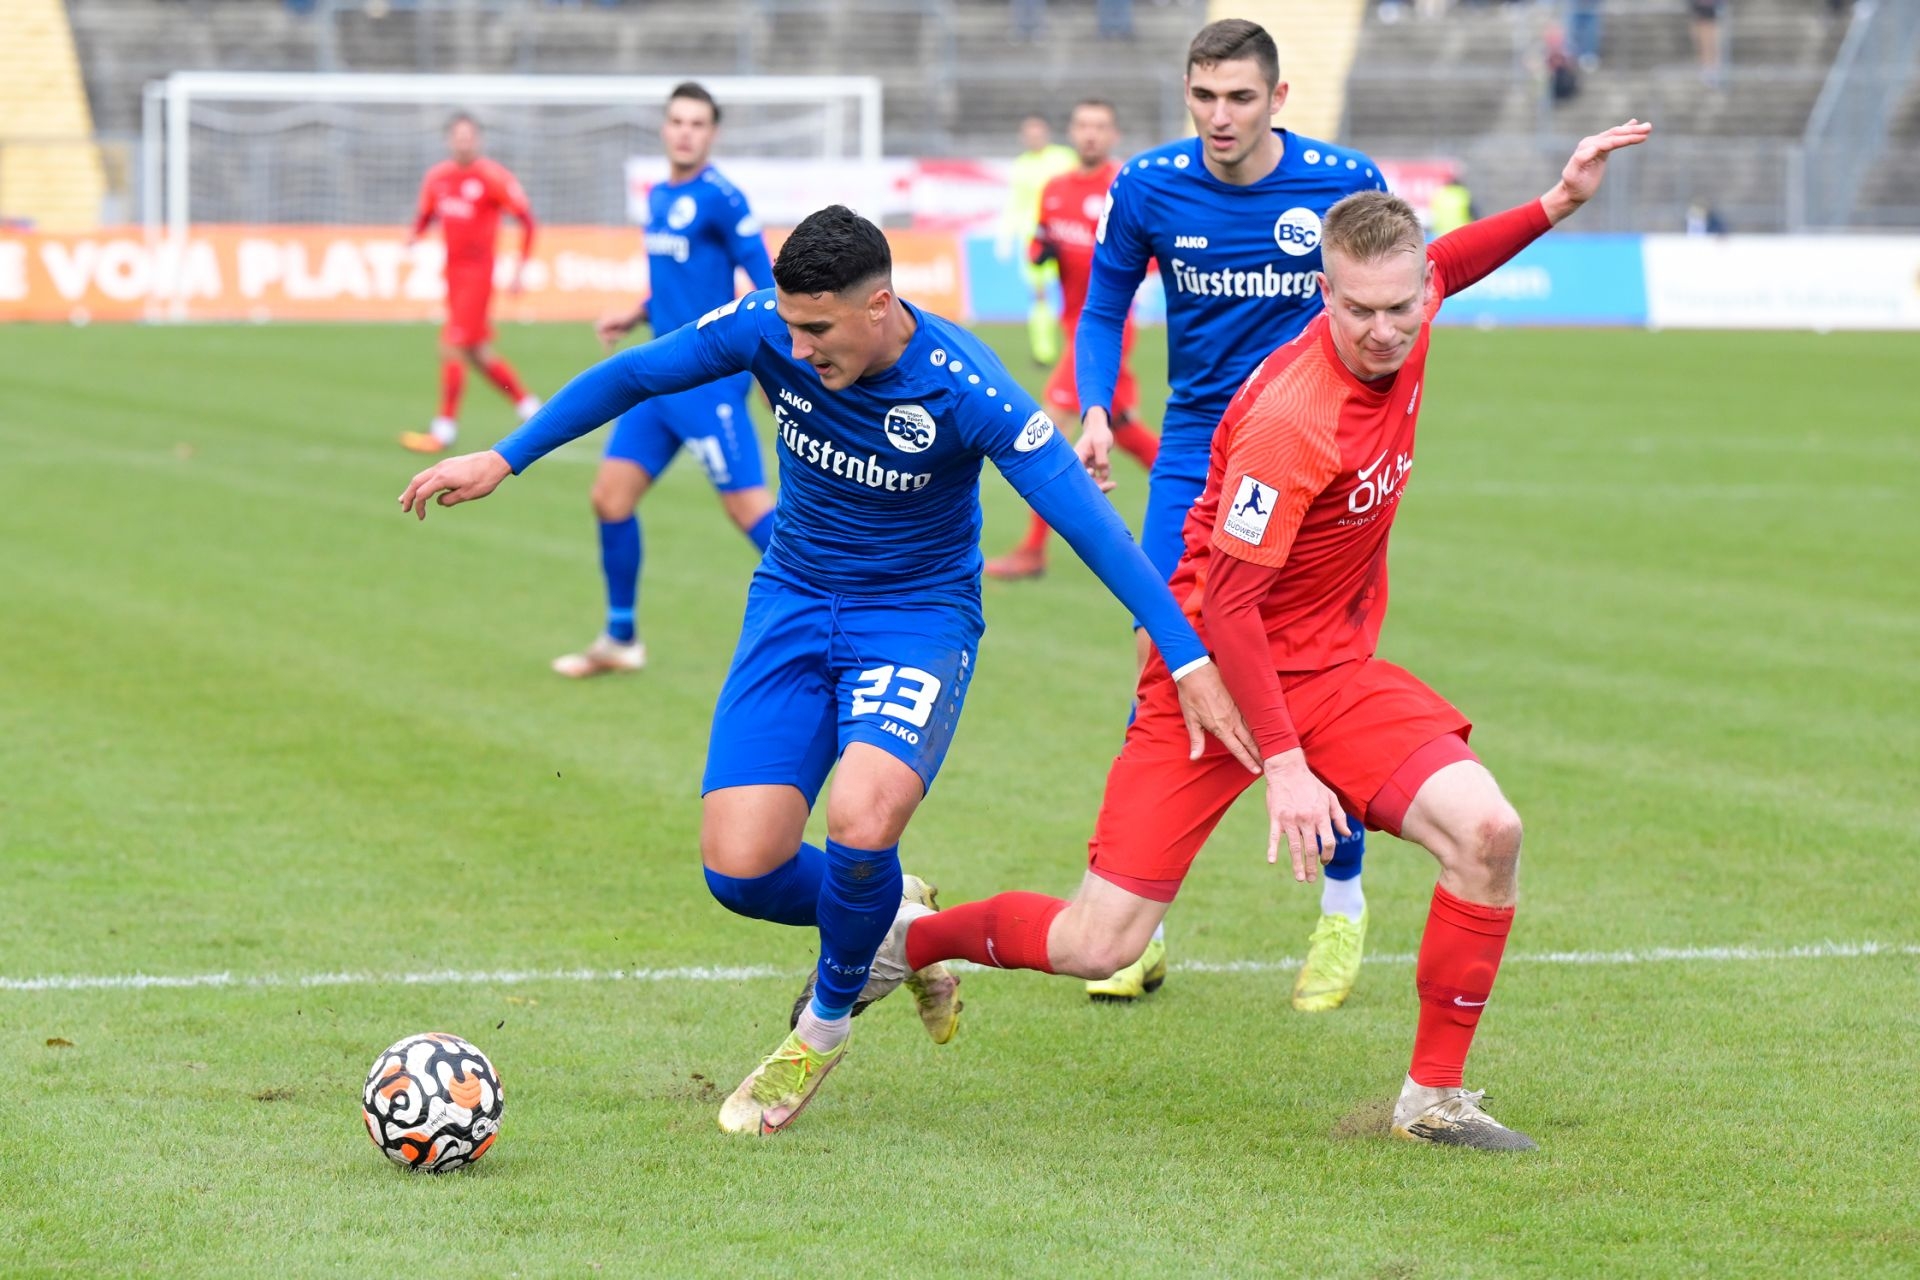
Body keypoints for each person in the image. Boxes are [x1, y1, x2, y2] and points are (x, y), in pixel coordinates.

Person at [846, 120, 1655, 1152]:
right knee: (1100, 941)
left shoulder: (1414, 302)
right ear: (1323, 294)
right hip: (1210, 680)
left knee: (1488, 833)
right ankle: (910, 938)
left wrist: (1558, 201)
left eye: (1401, 306)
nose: (1383, 331)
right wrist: (1284, 762)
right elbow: (1226, 610)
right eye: (1357, 310)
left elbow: (1456, 256)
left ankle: (1433, 1100)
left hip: (1334, 671)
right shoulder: (1292, 418)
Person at [398, 205, 1260, 1137]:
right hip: (794, 603)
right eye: (791, 325)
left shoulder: (966, 387)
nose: (799, 348)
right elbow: (637, 372)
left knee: (861, 818)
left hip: (915, 622)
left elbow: (1089, 525)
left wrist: (1186, 654)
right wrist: (506, 456)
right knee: (741, 869)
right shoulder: (768, 328)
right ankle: (897, 918)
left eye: (818, 329)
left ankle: (822, 1026)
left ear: (878, 305)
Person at [1072, 18, 1385, 1010]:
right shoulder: (1150, 186)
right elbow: (1103, 306)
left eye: (1240, 97)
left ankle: (1343, 906)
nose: (1220, 115)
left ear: (1277, 99)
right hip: (1194, 457)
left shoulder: (1342, 182)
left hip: (1313, 457)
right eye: (1204, 95)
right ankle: (1140, 926)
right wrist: (1094, 407)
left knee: (1312, 678)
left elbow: (1397, 298)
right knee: (1160, 666)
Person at [552, 82, 778, 679]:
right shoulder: (659, 194)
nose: (685, 132)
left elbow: (764, 282)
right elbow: (679, 283)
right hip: (659, 378)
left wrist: (774, 363)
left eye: (697, 123)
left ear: (712, 133)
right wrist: (636, 313)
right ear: (664, 127)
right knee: (609, 498)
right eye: (677, 121)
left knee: (749, 510)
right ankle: (620, 639)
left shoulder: (723, 198)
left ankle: (853, 596)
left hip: (708, 382)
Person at [985, 99, 1159, 582]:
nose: (1090, 134)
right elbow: (1042, 244)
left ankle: (1033, 550)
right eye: (1083, 125)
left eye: (1100, 126)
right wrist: (1041, 251)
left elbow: (1151, 258)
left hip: (1107, 331)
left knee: (1048, 428)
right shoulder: (1055, 188)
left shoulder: (1124, 187)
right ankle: (1209, 497)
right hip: (1071, 328)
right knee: (1123, 429)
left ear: (1113, 134)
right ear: (1072, 131)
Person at [400, 113, 541, 455]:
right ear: (450, 141)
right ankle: (530, 408)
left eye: (469, 136)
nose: (464, 142)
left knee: (451, 344)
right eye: (458, 137)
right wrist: (415, 235)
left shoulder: (492, 177)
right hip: (453, 273)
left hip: (478, 275)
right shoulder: (438, 178)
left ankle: (444, 429)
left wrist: (520, 268)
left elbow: (527, 220)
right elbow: (427, 214)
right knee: (476, 353)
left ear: (477, 140)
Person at [1001, 115, 1079, 366]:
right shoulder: (1020, 166)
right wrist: (1006, 236)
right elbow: (1015, 204)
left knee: (1075, 292)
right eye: (1029, 134)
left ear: (1047, 134)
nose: (1034, 138)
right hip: (1034, 239)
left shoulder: (1064, 158)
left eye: (1038, 133)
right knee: (1040, 294)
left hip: (1066, 236)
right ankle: (1043, 350)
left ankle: (1076, 345)